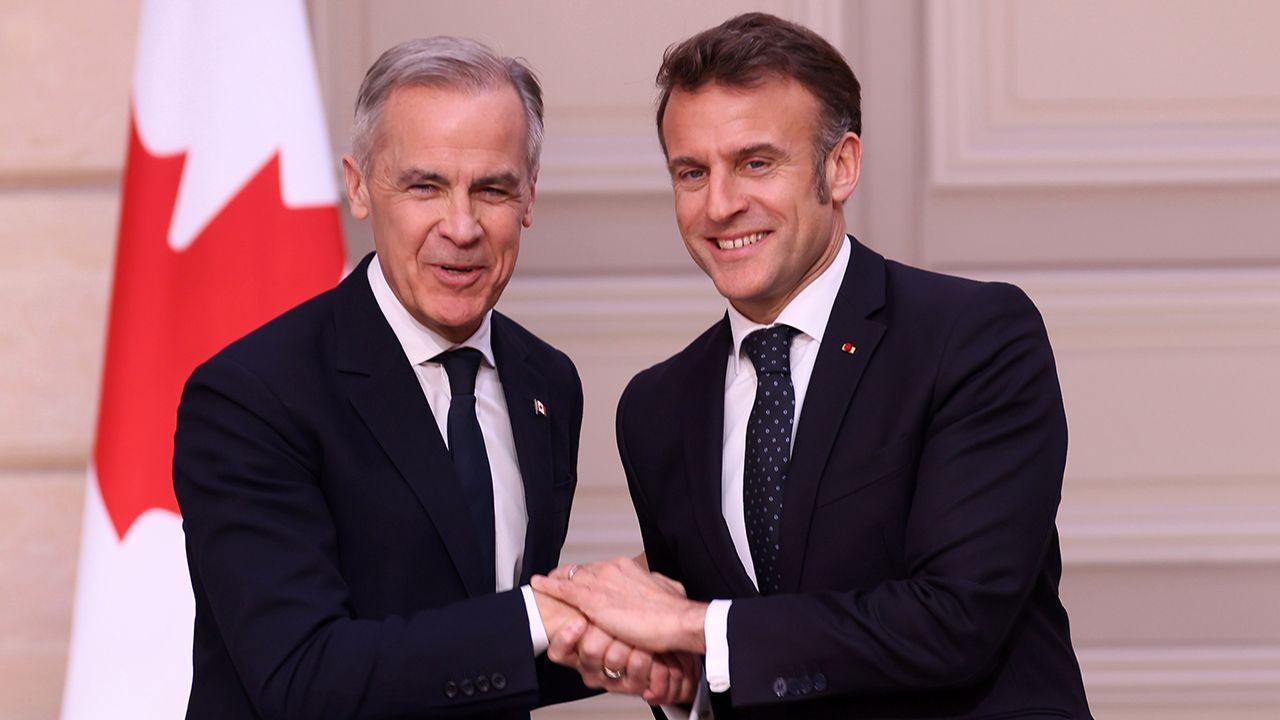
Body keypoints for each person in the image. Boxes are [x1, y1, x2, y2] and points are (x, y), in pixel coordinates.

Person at [533, 13, 1093, 719]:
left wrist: (691, 625)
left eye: (755, 163)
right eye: (691, 172)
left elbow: (955, 621)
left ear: (842, 165)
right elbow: (736, 662)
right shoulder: (656, 407)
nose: (720, 205)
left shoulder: (972, 337)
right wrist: (679, 682)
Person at [173, 36, 691, 718]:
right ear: (360, 187)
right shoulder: (250, 398)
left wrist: (620, 644)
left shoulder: (548, 384)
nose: (462, 226)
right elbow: (303, 679)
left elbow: (479, 655)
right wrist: (551, 611)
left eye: (493, 188)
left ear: (529, 197)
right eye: (426, 186)